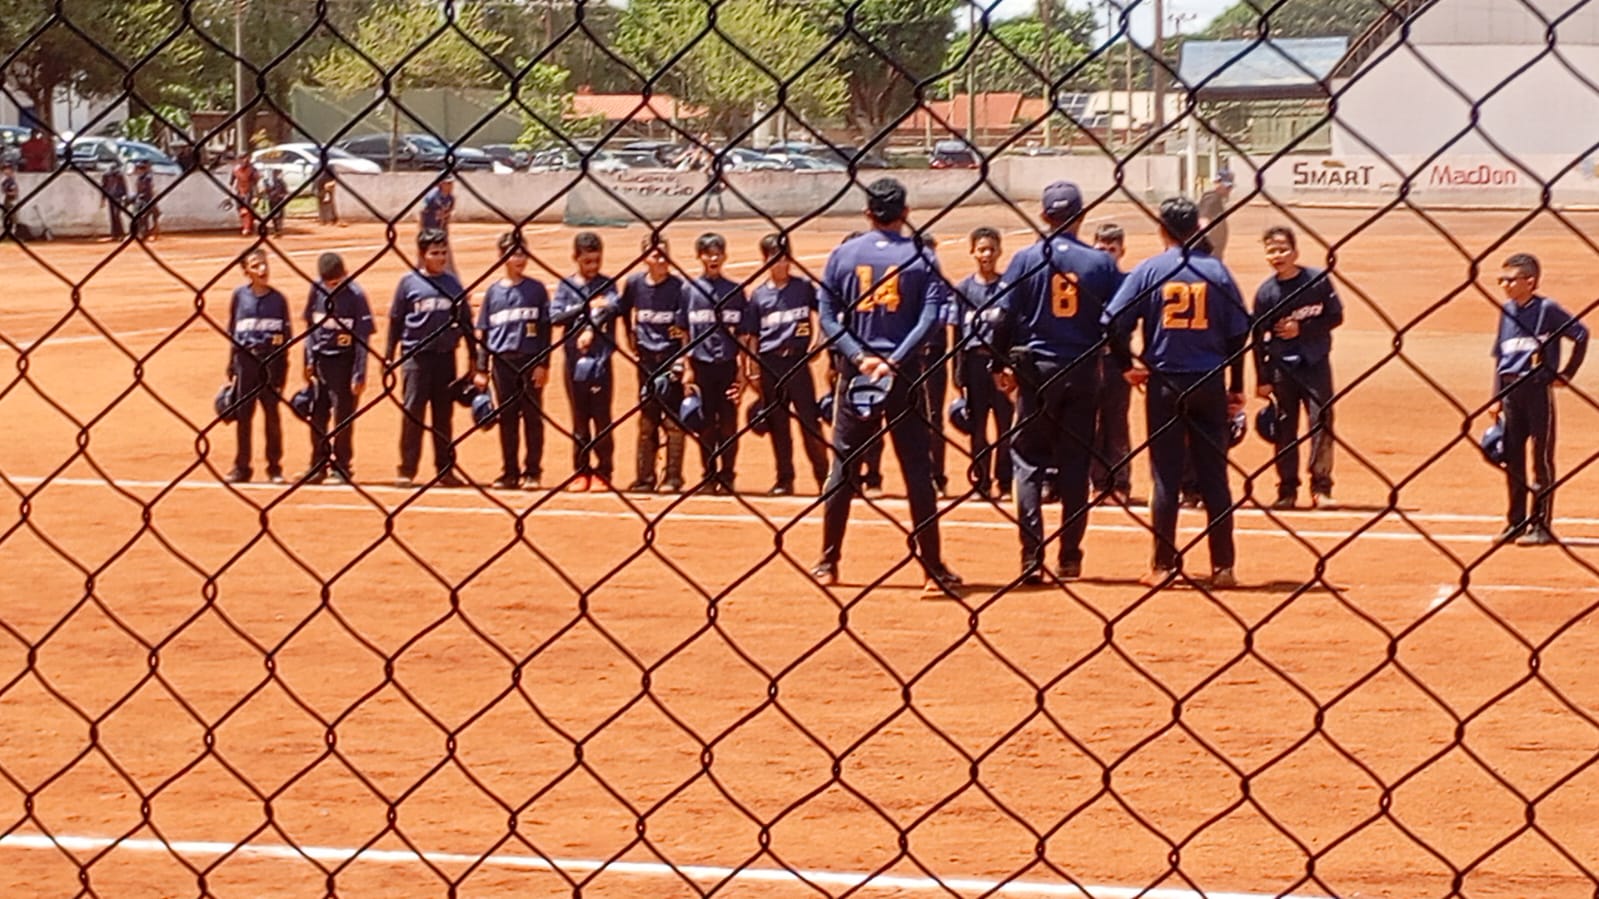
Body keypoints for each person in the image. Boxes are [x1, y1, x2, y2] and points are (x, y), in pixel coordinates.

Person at [811, 177, 962, 598]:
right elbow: (930, 318)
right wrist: (895, 359)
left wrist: (859, 357)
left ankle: (828, 562)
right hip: (904, 374)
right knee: (917, 469)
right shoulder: (922, 256)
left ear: (867, 213)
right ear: (906, 213)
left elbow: (828, 316)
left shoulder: (843, 254)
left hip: (857, 374)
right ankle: (932, 568)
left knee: (844, 467)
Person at [1105, 196, 1251, 589]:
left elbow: (1113, 323)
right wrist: (1237, 385)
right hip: (1209, 381)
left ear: (1162, 229)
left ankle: (1163, 566)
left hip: (1165, 383)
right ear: (1196, 229)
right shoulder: (1217, 272)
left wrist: (1125, 366)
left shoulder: (1150, 269)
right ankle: (1224, 566)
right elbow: (1239, 334)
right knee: (1214, 476)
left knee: (1165, 476)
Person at [993, 182, 1121, 583]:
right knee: (1075, 464)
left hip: (1038, 372)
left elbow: (1002, 317)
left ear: (1045, 216)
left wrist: (999, 363)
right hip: (1083, 369)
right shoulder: (1100, 263)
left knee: (1028, 461)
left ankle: (1031, 558)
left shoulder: (1026, 258)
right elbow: (1116, 320)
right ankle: (1070, 557)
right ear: (1081, 216)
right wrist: (1119, 360)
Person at [1490, 253, 1588, 546]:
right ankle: (1516, 521)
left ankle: (1541, 524)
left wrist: (1566, 374)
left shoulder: (1547, 309)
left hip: (1536, 390)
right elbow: (1501, 358)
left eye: (1510, 280)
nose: (1505, 285)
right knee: (1513, 458)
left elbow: (1581, 335)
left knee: (1541, 458)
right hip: (1511, 392)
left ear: (1530, 282)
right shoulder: (1507, 311)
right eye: (1501, 280)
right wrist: (1496, 397)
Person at [1253, 225, 1344, 510]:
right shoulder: (1266, 293)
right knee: (1284, 428)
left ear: (1295, 252)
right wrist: (1262, 378)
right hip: (1282, 368)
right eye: (1271, 251)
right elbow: (1258, 338)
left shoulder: (1317, 281)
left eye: (1283, 249)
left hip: (1315, 363)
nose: (1277, 255)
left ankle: (1321, 487)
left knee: (1321, 422)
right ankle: (1287, 489)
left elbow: (1336, 316)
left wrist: (1301, 329)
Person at [385, 228, 474, 489]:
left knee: (443, 415)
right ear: (422, 254)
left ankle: (445, 470)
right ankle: (407, 470)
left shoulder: (453, 284)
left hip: (445, 357)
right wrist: (389, 355)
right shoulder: (408, 283)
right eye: (435, 253)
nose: (441, 258)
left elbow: (466, 323)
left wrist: (473, 357)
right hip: (416, 358)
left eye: (444, 252)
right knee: (413, 412)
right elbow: (396, 321)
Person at [750, 232, 829, 496]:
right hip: (770, 363)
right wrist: (753, 369)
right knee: (778, 425)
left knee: (810, 423)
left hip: (797, 362)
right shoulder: (759, 295)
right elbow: (752, 336)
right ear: (765, 261)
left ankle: (824, 477)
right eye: (775, 259)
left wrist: (819, 343)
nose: (781, 264)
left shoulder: (803, 287)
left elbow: (825, 312)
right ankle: (785, 479)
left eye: (785, 258)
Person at [475, 230, 552, 491]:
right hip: (502, 363)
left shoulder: (536, 290)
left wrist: (543, 364)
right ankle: (510, 472)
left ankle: (532, 472)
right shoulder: (493, 293)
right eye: (513, 254)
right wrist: (482, 368)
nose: (519, 259)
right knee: (507, 418)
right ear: (502, 257)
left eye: (522, 253)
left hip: (529, 361)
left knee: (532, 418)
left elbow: (545, 331)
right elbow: (485, 333)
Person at [681, 232, 755, 494]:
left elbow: (743, 334)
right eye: (707, 254)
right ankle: (708, 474)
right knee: (704, 424)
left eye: (717, 254)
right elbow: (684, 332)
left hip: (727, 365)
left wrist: (743, 370)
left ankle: (727, 475)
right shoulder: (689, 291)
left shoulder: (735, 291)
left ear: (724, 257)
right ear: (699, 257)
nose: (713, 259)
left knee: (728, 424)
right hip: (700, 365)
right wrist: (687, 367)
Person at [551, 231, 621, 492]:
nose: (593, 266)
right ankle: (581, 470)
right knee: (579, 418)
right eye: (587, 261)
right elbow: (555, 317)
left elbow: (611, 307)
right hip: (574, 362)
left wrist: (591, 327)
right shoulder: (566, 287)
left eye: (597, 261)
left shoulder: (607, 284)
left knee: (602, 418)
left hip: (600, 361)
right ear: (575, 258)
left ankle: (604, 470)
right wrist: (586, 307)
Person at [621, 235, 689, 493]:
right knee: (647, 420)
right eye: (656, 255)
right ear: (645, 259)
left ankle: (673, 477)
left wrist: (682, 359)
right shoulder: (635, 284)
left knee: (673, 421)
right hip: (647, 362)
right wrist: (630, 336)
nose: (662, 260)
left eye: (664, 254)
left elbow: (686, 327)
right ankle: (645, 477)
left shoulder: (679, 288)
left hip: (671, 359)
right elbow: (624, 310)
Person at [951, 226, 1014, 500]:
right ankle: (981, 481)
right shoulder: (964, 289)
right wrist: (957, 370)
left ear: (999, 252)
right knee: (977, 428)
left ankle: (1005, 481)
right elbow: (956, 334)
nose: (986, 254)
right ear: (973, 252)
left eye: (991, 249)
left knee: (1005, 427)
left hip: (1000, 364)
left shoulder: (1006, 287)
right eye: (981, 249)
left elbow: (1013, 329)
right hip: (974, 364)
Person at [300, 252, 374, 485]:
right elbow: (310, 328)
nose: (333, 287)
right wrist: (308, 359)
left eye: (337, 282)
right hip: (321, 361)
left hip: (344, 362)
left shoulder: (356, 295)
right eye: (329, 283)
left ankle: (342, 467)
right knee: (317, 415)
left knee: (343, 417)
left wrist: (359, 372)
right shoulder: (316, 290)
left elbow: (362, 339)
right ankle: (318, 464)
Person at [224, 249, 292, 484]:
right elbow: (233, 332)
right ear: (246, 271)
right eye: (255, 266)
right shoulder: (239, 297)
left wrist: (282, 369)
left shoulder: (279, 299)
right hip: (245, 361)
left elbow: (286, 337)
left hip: (271, 361)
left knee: (271, 415)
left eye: (264, 264)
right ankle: (242, 467)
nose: (262, 269)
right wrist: (232, 363)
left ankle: (275, 468)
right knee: (244, 415)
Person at [1090, 223, 1133, 504]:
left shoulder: (1128, 282)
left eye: (1112, 249)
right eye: (1101, 249)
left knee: (1116, 421)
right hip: (1089, 359)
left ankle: (1120, 482)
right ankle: (1098, 481)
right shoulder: (1085, 281)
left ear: (1121, 251)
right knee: (1090, 421)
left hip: (1117, 360)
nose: (1106, 254)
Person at [1196, 168, 1235, 262]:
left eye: (1230, 187)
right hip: (1210, 248)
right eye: (1227, 187)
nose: (1229, 190)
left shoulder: (1216, 198)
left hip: (1214, 248)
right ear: (1217, 183)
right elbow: (1203, 220)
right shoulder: (1212, 199)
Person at [420, 176, 457, 275]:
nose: (450, 186)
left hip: (440, 231)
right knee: (427, 254)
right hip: (429, 230)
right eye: (447, 183)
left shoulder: (450, 198)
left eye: (451, 183)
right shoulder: (432, 196)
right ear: (441, 184)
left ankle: (447, 273)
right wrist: (423, 229)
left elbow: (448, 213)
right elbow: (423, 212)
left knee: (444, 254)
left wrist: (445, 228)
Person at [100, 163, 129, 241]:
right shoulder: (106, 176)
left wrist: (125, 197)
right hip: (111, 197)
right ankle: (115, 234)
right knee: (113, 216)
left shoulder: (119, 176)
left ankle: (121, 234)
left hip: (118, 197)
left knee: (116, 215)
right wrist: (103, 199)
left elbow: (124, 187)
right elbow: (104, 187)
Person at [231, 155, 259, 235]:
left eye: (246, 159)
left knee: (247, 210)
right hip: (239, 192)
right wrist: (232, 192)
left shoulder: (253, 170)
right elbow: (232, 182)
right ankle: (248, 225)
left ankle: (247, 228)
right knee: (241, 210)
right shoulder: (235, 170)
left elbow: (255, 183)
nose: (244, 161)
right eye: (242, 159)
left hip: (249, 192)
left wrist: (256, 195)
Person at [133, 160, 159, 241]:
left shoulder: (147, 178)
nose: (137, 171)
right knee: (142, 217)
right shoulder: (141, 178)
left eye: (139, 169)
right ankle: (144, 233)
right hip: (142, 199)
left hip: (147, 199)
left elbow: (148, 190)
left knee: (147, 217)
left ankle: (147, 233)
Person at [264, 167, 288, 235]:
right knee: (273, 214)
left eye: (275, 173)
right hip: (271, 200)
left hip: (279, 200)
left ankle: (278, 228)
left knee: (279, 214)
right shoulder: (266, 182)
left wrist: (282, 195)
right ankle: (276, 228)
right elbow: (266, 191)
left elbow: (285, 191)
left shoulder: (281, 182)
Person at [1, 162, 17, 239]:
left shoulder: (11, 180)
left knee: (12, 216)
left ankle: (12, 233)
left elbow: (14, 192)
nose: (6, 171)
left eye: (8, 169)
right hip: (6, 200)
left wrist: (8, 193)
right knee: (5, 216)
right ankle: (7, 233)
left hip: (11, 200)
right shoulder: (5, 181)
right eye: (5, 169)